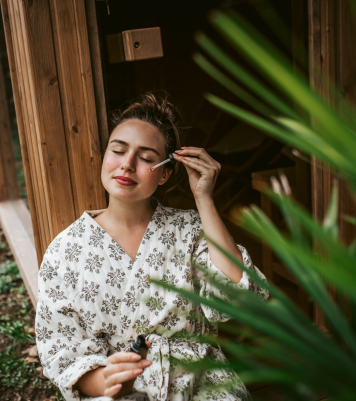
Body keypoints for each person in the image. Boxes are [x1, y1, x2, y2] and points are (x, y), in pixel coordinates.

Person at [36, 92, 268, 401]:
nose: (127, 165)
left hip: (201, 385)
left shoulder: (190, 230)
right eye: (118, 151)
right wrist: (110, 380)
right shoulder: (65, 250)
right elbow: (61, 353)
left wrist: (204, 200)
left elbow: (240, 297)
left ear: (165, 174)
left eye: (146, 158)